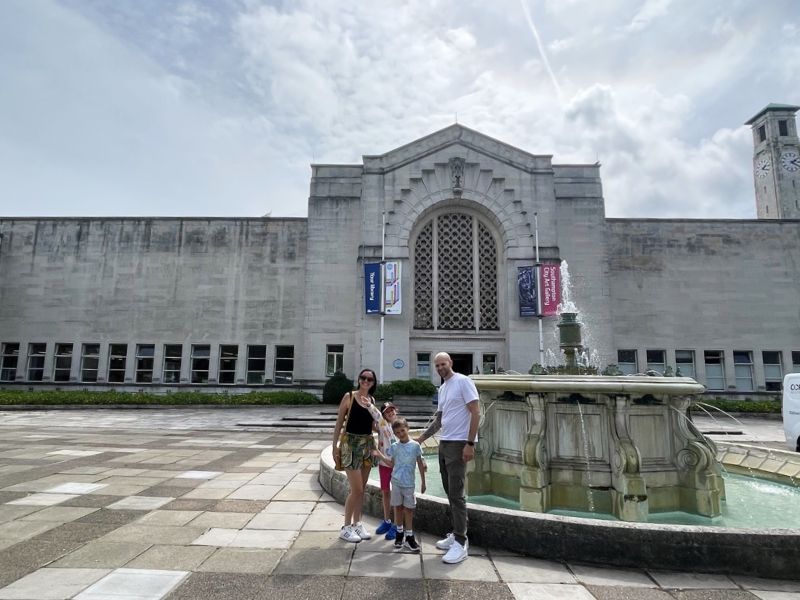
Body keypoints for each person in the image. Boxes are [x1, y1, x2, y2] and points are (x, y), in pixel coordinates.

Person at [415, 352, 479, 564]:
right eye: (437, 365)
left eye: (443, 364)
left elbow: (476, 412)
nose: (440, 367)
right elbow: (440, 420)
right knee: (449, 491)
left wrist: (470, 444)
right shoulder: (443, 388)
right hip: (445, 443)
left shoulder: (463, 381)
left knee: (457, 493)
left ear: (450, 363)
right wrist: (422, 438)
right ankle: (456, 533)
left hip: (459, 443)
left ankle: (461, 542)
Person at [332, 368, 381, 543]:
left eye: (370, 379)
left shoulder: (372, 400)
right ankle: (345, 527)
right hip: (350, 445)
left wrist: (386, 426)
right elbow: (339, 424)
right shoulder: (349, 397)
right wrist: (334, 447)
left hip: (367, 444)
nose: (366, 381)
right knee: (356, 489)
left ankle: (357, 523)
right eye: (363, 378)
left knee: (363, 488)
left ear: (373, 383)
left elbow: (374, 426)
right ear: (359, 379)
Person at [373, 417, 426, 553]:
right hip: (396, 483)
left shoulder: (415, 446)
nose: (400, 434)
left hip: (409, 485)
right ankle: (399, 534)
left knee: (408, 510)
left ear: (407, 429)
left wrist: (424, 482)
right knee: (397, 508)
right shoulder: (395, 447)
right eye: (397, 432)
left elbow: (420, 464)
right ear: (395, 434)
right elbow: (391, 463)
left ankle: (409, 537)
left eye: (402, 430)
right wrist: (379, 454)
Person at [374, 401, 399, 540]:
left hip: (396, 466)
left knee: (396, 494)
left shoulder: (400, 426)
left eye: (392, 410)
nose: (390, 413)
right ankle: (387, 520)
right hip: (384, 464)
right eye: (387, 412)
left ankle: (396, 524)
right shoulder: (383, 426)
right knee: (385, 492)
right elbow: (377, 420)